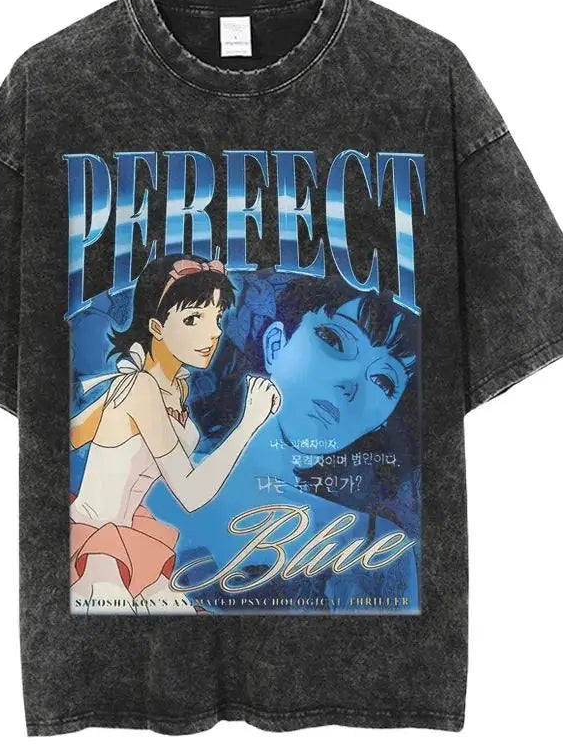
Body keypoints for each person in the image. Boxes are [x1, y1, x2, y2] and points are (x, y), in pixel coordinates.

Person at [148, 272, 421, 611]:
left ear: (383, 419)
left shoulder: (380, 550)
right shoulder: (145, 484)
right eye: (334, 341)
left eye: (383, 381)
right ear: (276, 346)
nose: (350, 385)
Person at [68, 254, 281, 615]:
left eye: (216, 317)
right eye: (193, 319)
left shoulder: (172, 388)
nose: (213, 332)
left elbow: (76, 432)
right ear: (156, 326)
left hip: (127, 535)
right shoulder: (141, 387)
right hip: (99, 543)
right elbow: (191, 494)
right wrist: (248, 424)